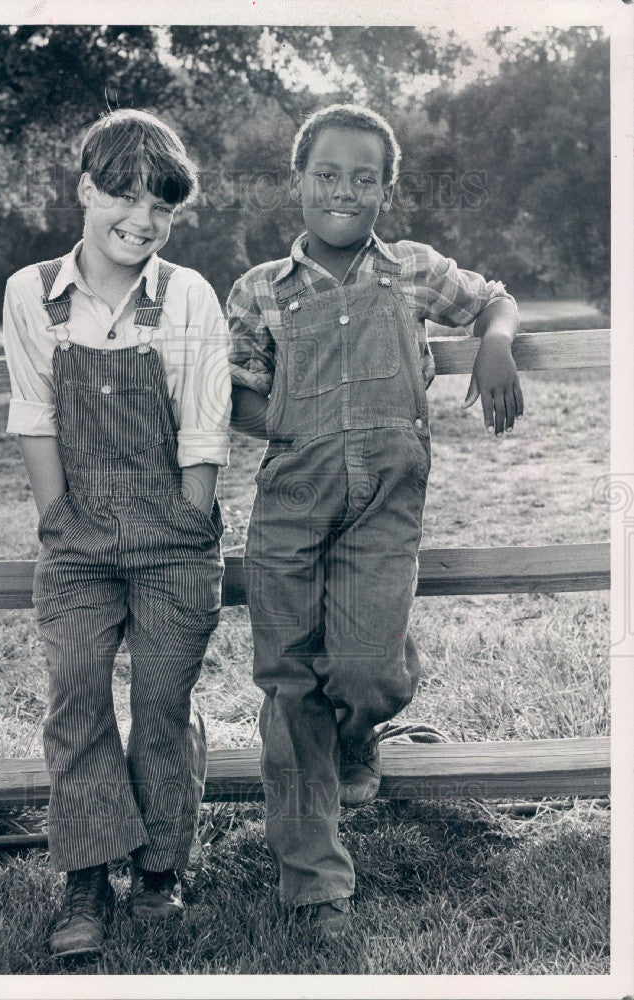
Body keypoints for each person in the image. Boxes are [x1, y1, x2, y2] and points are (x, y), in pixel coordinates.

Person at [227, 104, 523, 939]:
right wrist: (299, 423)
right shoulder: (258, 290)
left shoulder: (413, 271)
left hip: (384, 508)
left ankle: (362, 732)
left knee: (365, 671)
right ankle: (314, 888)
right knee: (289, 691)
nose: (344, 192)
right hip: (289, 504)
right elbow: (238, 396)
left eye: (364, 178)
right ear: (297, 181)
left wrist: (496, 341)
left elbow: (495, 298)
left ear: (387, 189)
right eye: (327, 174)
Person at [2, 109, 230, 957]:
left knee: (163, 703)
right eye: (124, 198)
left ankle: (161, 872)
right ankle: (87, 879)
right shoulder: (33, 294)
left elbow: (205, 427)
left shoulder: (188, 295)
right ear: (86, 190)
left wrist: (188, 517)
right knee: (78, 693)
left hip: (173, 535)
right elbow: (33, 415)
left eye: (161, 208)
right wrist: (59, 517)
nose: (141, 221)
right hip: (78, 543)